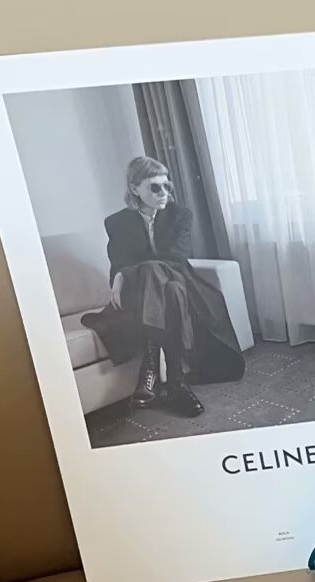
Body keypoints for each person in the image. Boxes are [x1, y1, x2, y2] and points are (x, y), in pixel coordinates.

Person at [81, 155, 245, 418]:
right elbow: (119, 261)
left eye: (166, 186)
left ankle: (150, 370)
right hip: (140, 291)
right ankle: (177, 384)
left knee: (169, 285)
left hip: (179, 279)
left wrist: (127, 272)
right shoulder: (116, 222)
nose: (164, 193)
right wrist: (120, 276)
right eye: (154, 187)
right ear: (135, 189)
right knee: (168, 289)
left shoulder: (181, 215)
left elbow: (175, 257)